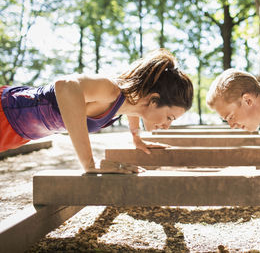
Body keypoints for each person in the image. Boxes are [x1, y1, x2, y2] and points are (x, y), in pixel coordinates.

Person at [0, 48, 193, 173]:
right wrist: (90, 165)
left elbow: (134, 110)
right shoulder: (111, 90)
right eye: (170, 117)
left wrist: (136, 138)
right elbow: (65, 85)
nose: (167, 126)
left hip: (18, 132)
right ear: (153, 100)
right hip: (6, 112)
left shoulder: (131, 103)